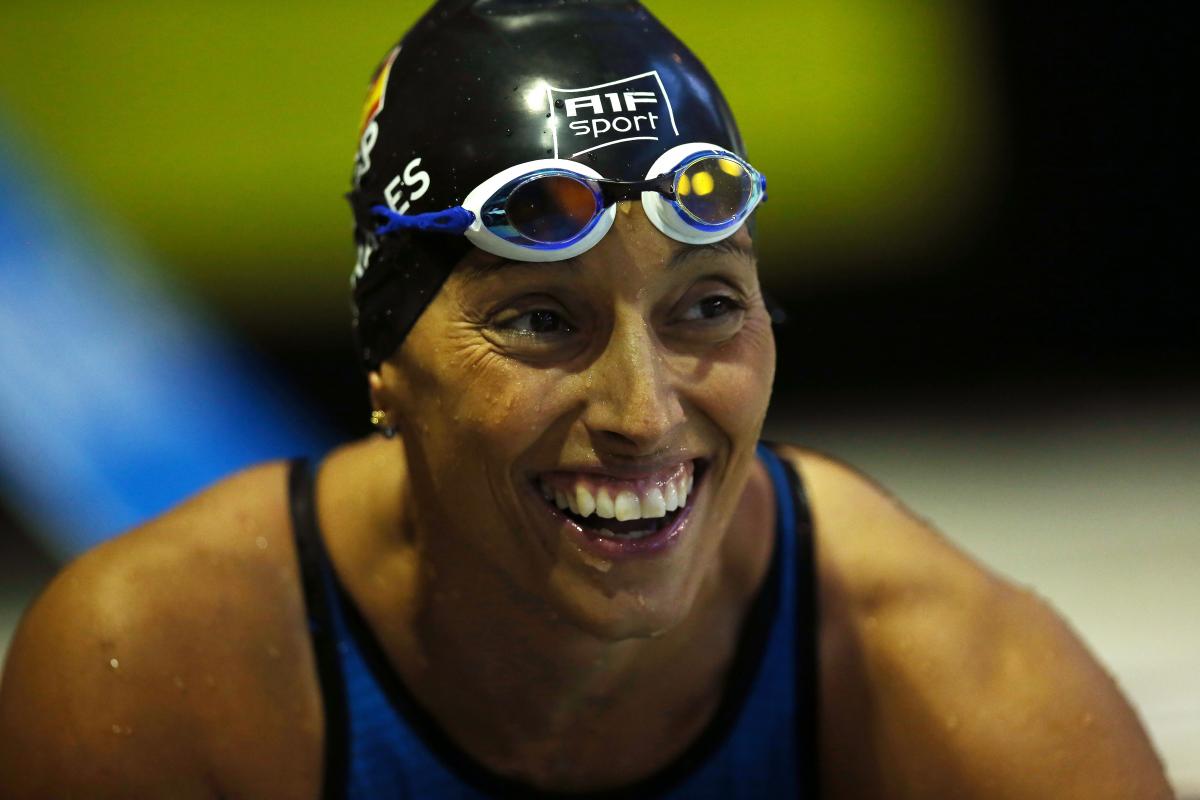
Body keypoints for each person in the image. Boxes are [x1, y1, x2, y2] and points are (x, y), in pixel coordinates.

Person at [0, 1, 1173, 797]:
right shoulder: (160, 672)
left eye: (706, 307)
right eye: (541, 320)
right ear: (387, 369)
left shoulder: (927, 658)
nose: (646, 411)